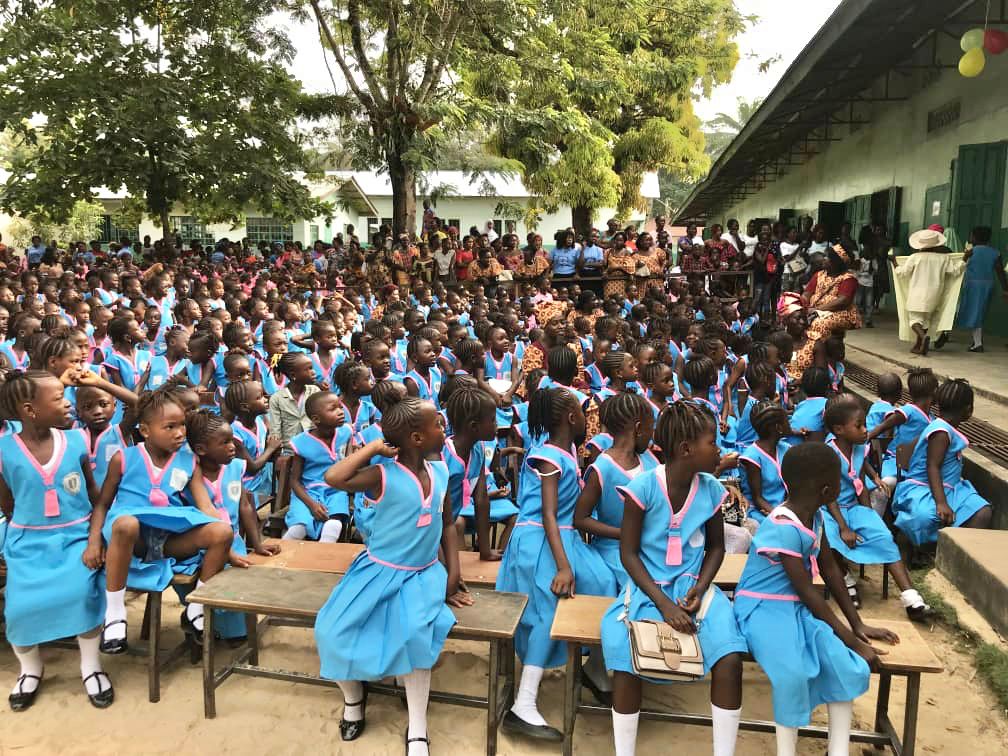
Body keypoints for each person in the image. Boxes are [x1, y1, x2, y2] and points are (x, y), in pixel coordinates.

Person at [315, 399, 471, 754]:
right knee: (330, 631)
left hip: (422, 574)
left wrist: (453, 574)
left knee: (415, 634)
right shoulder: (381, 475)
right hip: (377, 570)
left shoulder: (442, 472)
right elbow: (333, 477)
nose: (443, 425)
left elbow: (448, 526)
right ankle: (354, 700)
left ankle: (418, 725)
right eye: (436, 423)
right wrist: (372, 447)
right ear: (417, 437)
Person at [600, 401, 746, 756]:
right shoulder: (645, 487)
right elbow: (629, 554)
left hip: (693, 586)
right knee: (625, 656)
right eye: (712, 442)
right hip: (648, 588)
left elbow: (715, 548)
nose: (719, 449)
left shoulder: (711, 488)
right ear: (685, 450)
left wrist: (699, 587)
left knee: (729, 657)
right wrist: (664, 605)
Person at [734, 442, 898, 756]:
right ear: (826, 489)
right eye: (839, 480)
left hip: (796, 608)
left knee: (847, 667)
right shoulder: (782, 526)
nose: (842, 485)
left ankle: (837, 751)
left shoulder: (817, 516)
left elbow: (831, 572)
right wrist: (851, 639)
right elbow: (809, 592)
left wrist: (857, 624)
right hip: (762, 608)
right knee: (792, 674)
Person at [496, 387, 616, 740]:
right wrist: (563, 566)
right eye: (582, 412)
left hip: (564, 539)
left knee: (603, 585)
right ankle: (524, 703)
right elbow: (548, 514)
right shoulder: (548, 455)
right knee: (551, 607)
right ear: (570, 418)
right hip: (540, 541)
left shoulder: (567, 453)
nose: (586, 418)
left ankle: (595, 667)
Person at [0, 371, 114, 710]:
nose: (68, 403)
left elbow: (96, 498)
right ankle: (30, 669)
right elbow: (7, 504)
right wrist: (14, 541)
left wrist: (95, 540)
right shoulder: (4, 450)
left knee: (81, 594)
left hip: (76, 536)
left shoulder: (76, 441)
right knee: (19, 608)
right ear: (30, 409)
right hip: (29, 541)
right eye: (58, 398)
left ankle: (91, 666)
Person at [97, 388, 235, 653]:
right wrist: (94, 542)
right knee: (127, 523)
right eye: (170, 427)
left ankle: (195, 607)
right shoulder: (124, 458)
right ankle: (115, 614)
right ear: (146, 430)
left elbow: (206, 506)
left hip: (168, 540)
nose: (179, 432)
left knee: (220, 532)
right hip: (132, 540)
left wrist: (231, 546)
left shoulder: (188, 460)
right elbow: (103, 504)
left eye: (182, 425)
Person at [820, 394, 930, 619]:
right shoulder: (828, 452)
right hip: (829, 509)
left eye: (864, 425)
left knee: (883, 536)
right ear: (839, 430)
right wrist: (844, 527)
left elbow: (859, 484)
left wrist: (868, 515)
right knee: (829, 538)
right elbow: (828, 495)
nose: (864, 430)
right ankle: (845, 579)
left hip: (853, 505)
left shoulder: (859, 448)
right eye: (859, 425)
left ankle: (911, 597)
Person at [573, 392, 659, 589]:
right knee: (638, 586)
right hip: (614, 550)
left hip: (650, 546)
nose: (652, 436)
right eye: (650, 429)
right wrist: (624, 533)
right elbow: (580, 519)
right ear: (638, 429)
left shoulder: (650, 460)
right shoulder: (602, 469)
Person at [893, 379, 992, 546]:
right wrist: (941, 503)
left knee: (982, 512)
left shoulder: (946, 428)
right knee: (924, 516)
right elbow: (932, 466)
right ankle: (907, 545)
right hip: (924, 488)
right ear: (969, 409)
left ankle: (956, 550)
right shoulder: (941, 432)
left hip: (950, 488)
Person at [783, 245, 861, 381]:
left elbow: (843, 301)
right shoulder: (818, 275)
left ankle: (816, 356)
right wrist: (802, 305)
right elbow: (807, 293)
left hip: (841, 313)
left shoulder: (848, 278)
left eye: (827, 257)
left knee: (818, 324)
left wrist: (818, 310)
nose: (824, 259)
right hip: (815, 311)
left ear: (836, 262)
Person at [286, 392, 353, 542]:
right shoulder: (301, 442)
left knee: (333, 524)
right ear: (316, 419)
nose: (340, 412)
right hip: (307, 492)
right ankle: (277, 561)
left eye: (340, 407)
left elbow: (349, 463)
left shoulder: (346, 433)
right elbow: (294, 481)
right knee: (299, 528)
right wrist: (312, 504)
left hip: (336, 491)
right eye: (333, 409)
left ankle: (322, 561)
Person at [890, 227, 965, 355]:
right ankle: (919, 345)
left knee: (914, 321)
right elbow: (955, 272)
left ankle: (923, 338)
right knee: (925, 322)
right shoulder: (944, 258)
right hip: (935, 295)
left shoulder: (915, 257)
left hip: (917, 294)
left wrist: (894, 262)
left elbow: (902, 273)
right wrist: (965, 259)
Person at [944, 225, 1008, 352]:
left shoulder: (969, 252)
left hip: (973, 284)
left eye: (971, 235)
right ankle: (975, 341)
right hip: (988, 285)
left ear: (975, 237)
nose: (970, 237)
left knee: (971, 312)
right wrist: (1005, 288)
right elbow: (1000, 271)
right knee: (978, 312)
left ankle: (976, 343)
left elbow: (960, 267)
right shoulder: (995, 253)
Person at [739, 402, 791, 524]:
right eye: (787, 421)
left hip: (783, 508)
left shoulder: (785, 448)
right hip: (761, 511)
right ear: (778, 428)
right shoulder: (752, 457)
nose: (790, 424)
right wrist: (780, 517)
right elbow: (758, 499)